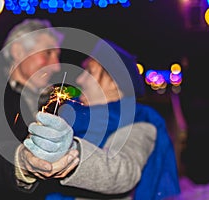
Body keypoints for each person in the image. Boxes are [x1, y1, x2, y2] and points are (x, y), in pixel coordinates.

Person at [0, 18, 159, 200]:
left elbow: (120, 171)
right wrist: (21, 162)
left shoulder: (59, 105)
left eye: (57, 56)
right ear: (17, 51)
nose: (57, 65)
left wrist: (70, 154)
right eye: (48, 53)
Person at [52, 39, 181, 199]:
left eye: (90, 72)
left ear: (114, 82)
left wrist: (66, 154)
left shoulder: (141, 121)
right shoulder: (70, 119)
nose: (79, 80)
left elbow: (119, 171)